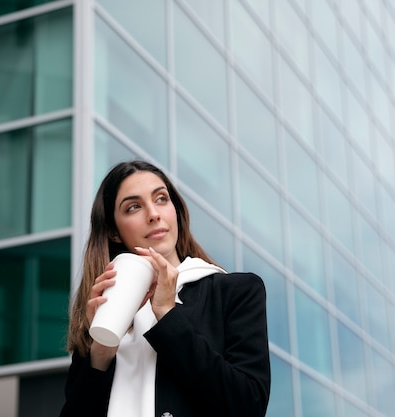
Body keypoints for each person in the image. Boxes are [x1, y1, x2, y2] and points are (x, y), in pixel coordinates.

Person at [59, 160, 271, 417]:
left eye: (161, 199)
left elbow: (248, 406)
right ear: (114, 232)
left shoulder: (235, 292)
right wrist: (101, 350)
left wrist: (168, 315)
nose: (153, 214)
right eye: (133, 207)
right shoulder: (105, 311)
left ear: (176, 211)